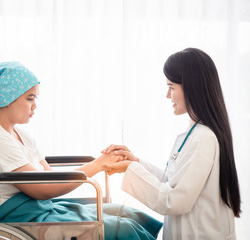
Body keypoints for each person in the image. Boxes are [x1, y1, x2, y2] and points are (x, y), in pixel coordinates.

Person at [0, 61, 163, 240]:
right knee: (122, 228)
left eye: (35, 98)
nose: (35, 106)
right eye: (29, 98)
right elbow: (43, 189)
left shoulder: (21, 135)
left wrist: (101, 162)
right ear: (8, 98)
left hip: (41, 208)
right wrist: (97, 165)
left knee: (129, 214)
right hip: (21, 218)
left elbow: (50, 179)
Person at [101, 48, 241, 239]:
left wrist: (131, 167)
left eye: (172, 87)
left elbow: (174, 200)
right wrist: (136, 162)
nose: (168, 95)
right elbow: (171, 182)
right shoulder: (195, 133)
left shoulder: (203, 138)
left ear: (192, 87)